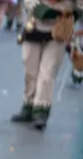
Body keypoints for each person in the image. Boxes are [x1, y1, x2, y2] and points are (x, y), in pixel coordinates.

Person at [10, 0, 80, 130]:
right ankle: (28, 105)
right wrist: (41, 9)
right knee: (30, 70)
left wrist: (74, 12)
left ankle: (40, 111)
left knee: (47, 71)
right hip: (34, 26)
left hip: (60, 29)